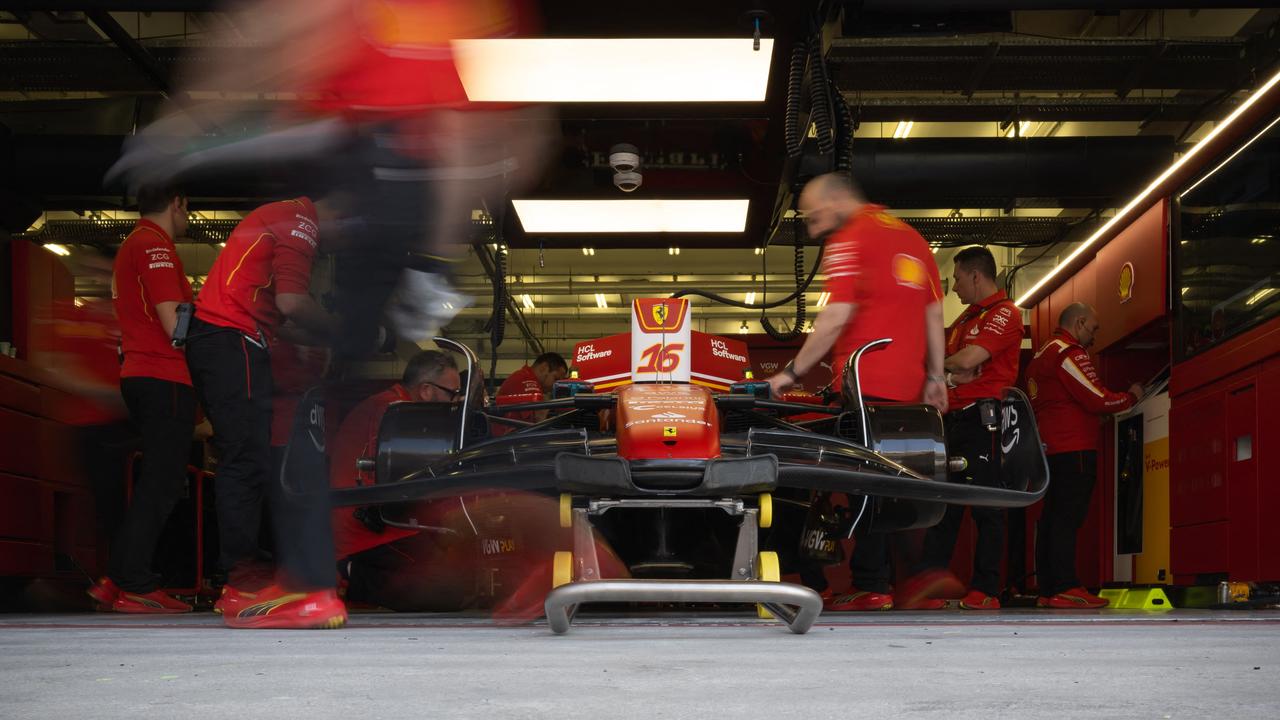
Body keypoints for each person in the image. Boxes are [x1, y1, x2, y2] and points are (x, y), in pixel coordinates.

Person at [765, 173, 947, 611]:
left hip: (864, 382)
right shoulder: (912, 238)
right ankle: (904, 582)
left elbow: (836, 314)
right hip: (908, 390)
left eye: (814, 214)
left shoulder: (849, 237)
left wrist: (790, 374)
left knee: (860, 482)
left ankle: (872, 584)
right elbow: (934, 310)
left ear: (837, 200)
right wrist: (936, 378)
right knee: (894, 482)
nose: (811, 227)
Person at [184, 197, 344, 629]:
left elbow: (281, 315)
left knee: (247, 458)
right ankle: (243, 582)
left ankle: (244, 577)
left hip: (224, 337)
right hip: (230, 338)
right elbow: (293, 303)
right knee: (246, 460)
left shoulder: (280, 216)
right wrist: (347, 332)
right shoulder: (301, 221)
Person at [87, 185, 196, 614]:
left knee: (156, 482)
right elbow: (177, 326)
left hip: (141, 373)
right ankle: (134, 582)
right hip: (164, 375)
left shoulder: (135, 244)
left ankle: (116, 578)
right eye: (189, 207)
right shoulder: (156, 246)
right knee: (163, 484)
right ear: (177, 203)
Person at [905, 246, 1024, 610]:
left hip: (984, 420)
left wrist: (953, 368)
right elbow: (948, 365)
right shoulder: (964, 322)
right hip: (953, 422)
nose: (953, 286)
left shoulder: (1005, 313)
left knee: (987, 507)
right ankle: (931, 587)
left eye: (956, 278)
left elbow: (968, 360)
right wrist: (952, 370)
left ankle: (986, 589)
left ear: (976, 275)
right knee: (945, 506)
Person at [330, 350, 476, 611]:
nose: (456, 401)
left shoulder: (394, 407)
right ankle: (349, 575)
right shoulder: (393, 413)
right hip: (366, 533)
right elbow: (403, 485)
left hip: (383, 522)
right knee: (450, 588)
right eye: (452, 394)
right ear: (427, 391)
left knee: (465, 568)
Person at [1028, 302, 1143, 609]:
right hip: (1074, 450)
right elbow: (1096, 398)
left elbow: (1060, 403)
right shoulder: (1067, 352)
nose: (1093, 337)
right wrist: (1131, 397)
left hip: (1050, 451)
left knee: (1052, 517)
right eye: (1092, 329)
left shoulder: (1041, 354)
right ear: (1078, 323)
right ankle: (1066, 586)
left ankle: (1049, 589)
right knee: (1068, 518)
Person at [492, 352, 568, 431]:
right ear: (544, 368)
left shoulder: (523, 376)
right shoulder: (527, 380)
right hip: (508, 439)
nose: (555, 385)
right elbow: (538, 417)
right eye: (555, 378)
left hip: (510, 438)